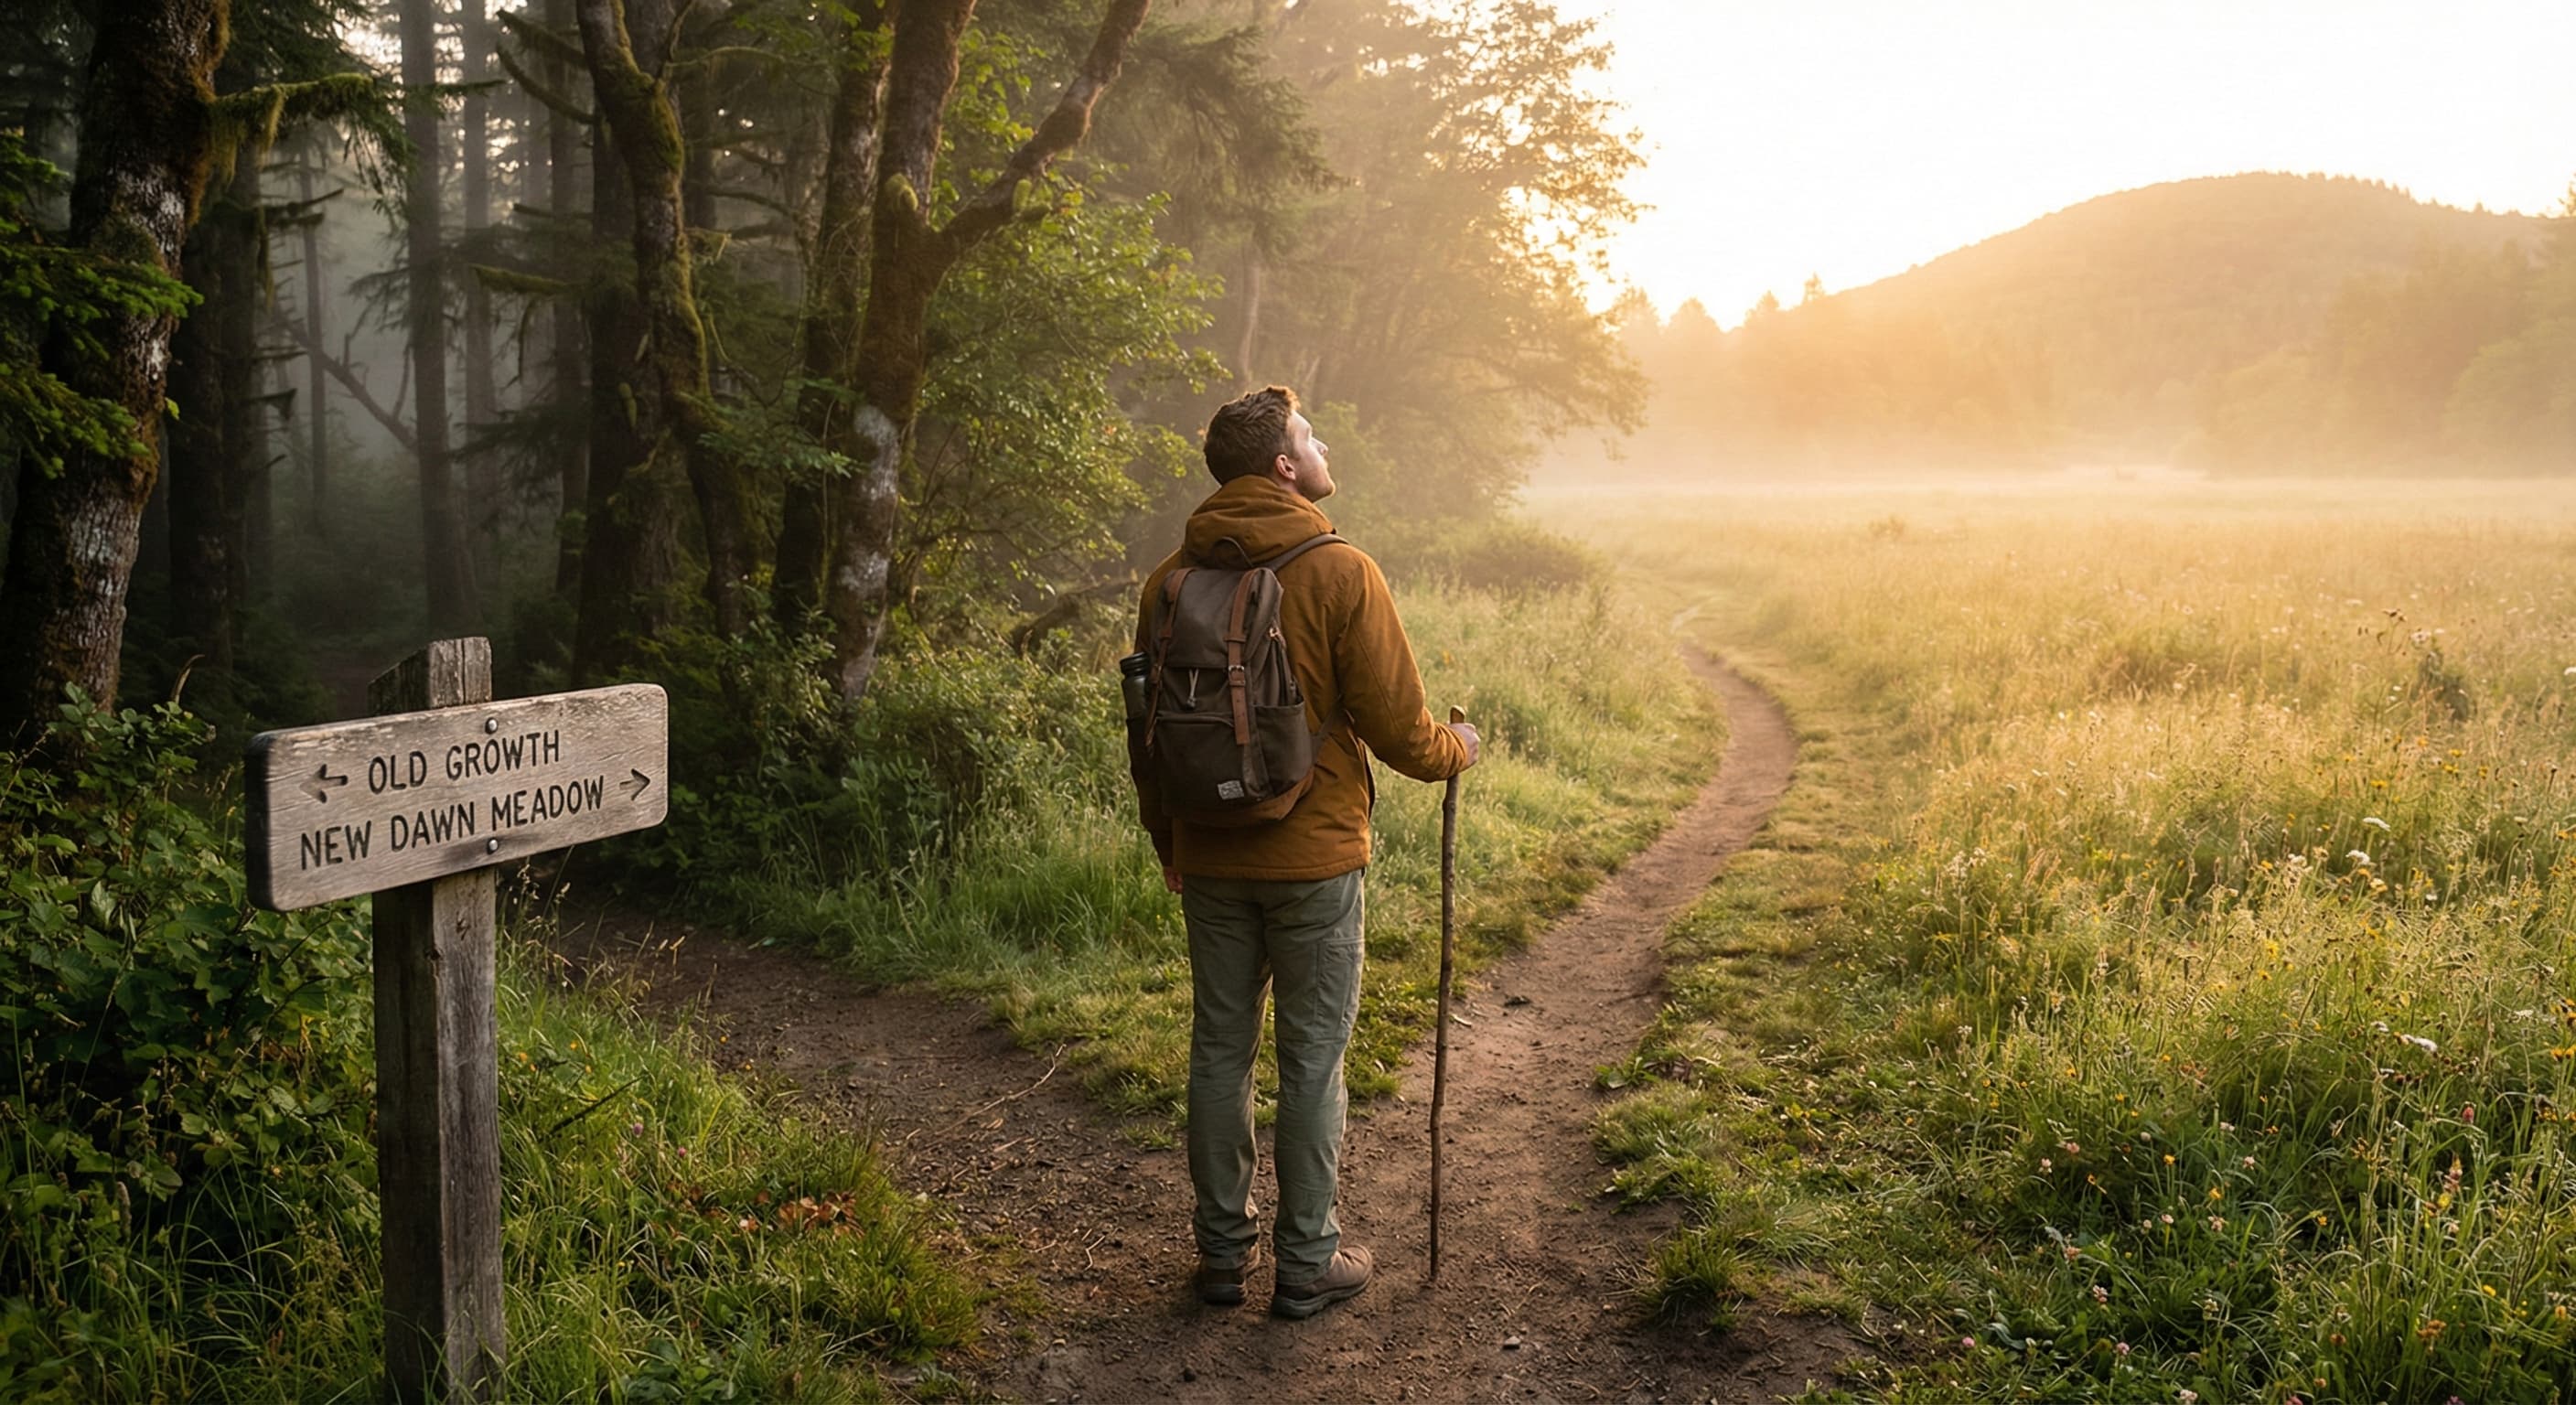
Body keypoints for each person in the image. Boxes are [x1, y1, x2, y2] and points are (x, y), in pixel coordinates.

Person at [1134, 385, 1479, 1320]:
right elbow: (1405, 735)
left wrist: (1170, 840)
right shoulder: (1340, 571)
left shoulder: (1168, 577)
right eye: (1308, 434)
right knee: (1311, 1061)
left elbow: (1148, 733)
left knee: (1218, 1051)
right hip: (1314, 860)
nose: (1324, 444)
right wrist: (1462, 748)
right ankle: (1305, 1263)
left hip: (1205, 853)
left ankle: (1218, 1259)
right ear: (1283, 467)